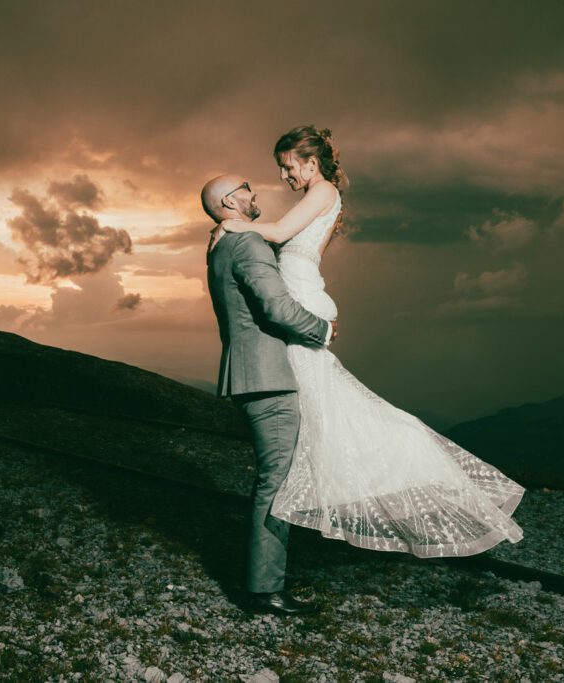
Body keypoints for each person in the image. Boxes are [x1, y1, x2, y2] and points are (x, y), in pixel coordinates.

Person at [219, 126, 525, 558]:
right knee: (321, 404)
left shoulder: (322, 190)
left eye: (288, 167)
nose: (285, 177)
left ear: (310, 162)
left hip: (302, 296)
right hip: (300, 292)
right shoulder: (316, 192)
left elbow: (277, 232)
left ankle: (351, 475)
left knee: (321, 403)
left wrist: (230, 223)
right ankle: (298, 492)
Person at [202, 173, 336, 616]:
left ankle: (269, 578)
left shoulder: (220, 247)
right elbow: (276, 308)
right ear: (229, 202)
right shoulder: (248, 244)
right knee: (276, 482)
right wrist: (322, 329)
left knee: (274, 478)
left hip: (249, 375)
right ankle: (265, 591)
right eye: (246, 188)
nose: (254, 192)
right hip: (268, 378)